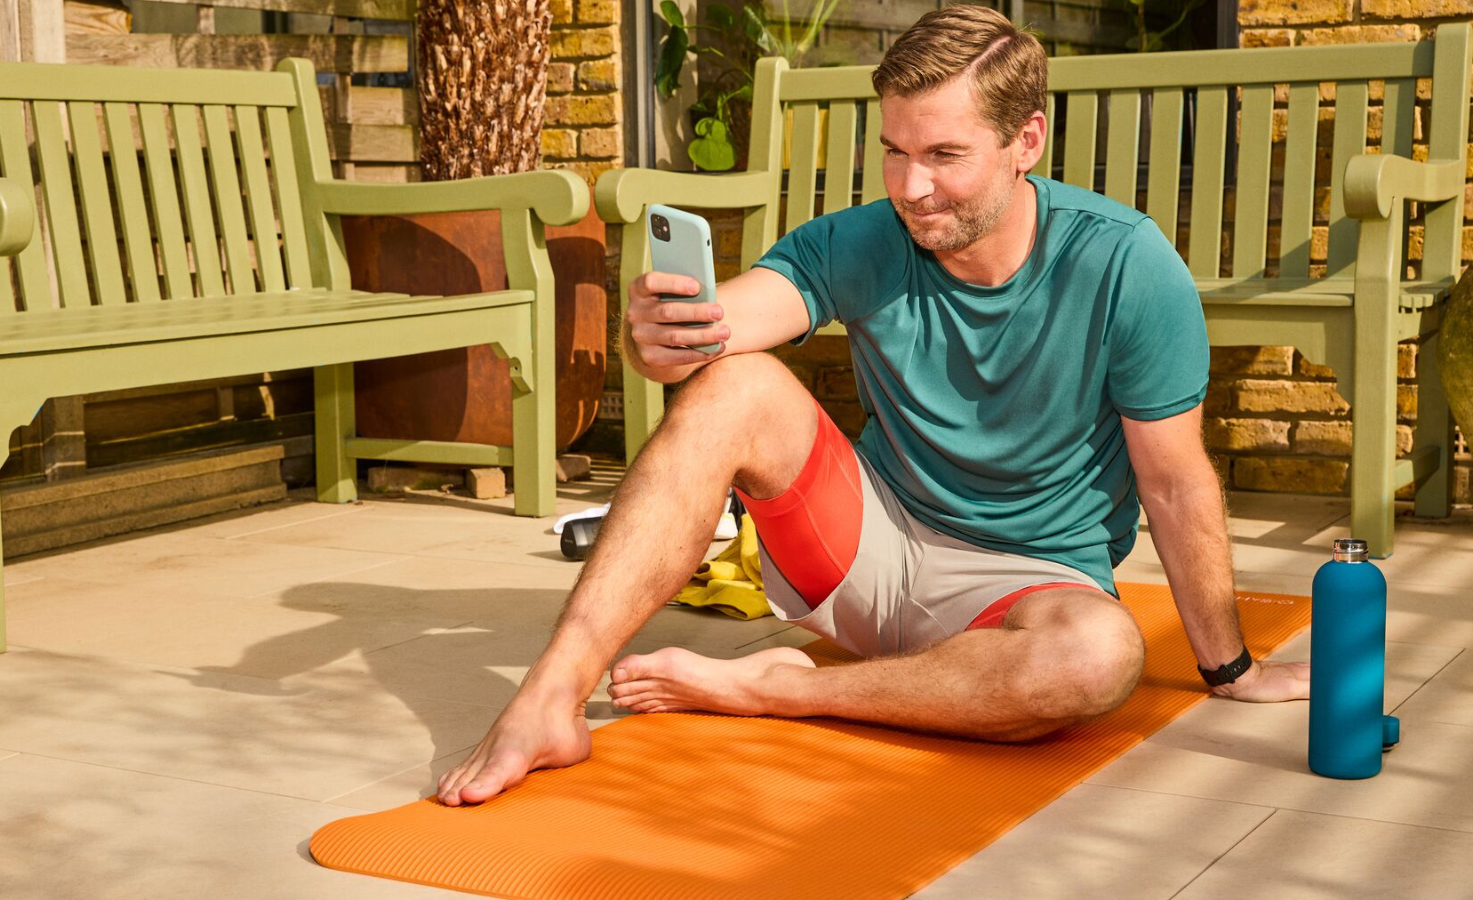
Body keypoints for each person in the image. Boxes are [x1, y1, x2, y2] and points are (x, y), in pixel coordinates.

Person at [437, 5, 1310, 808]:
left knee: (1101, 655)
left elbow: (1174, 481)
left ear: (1026, 140)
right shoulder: (864, 239)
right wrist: (663, 335)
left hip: (1021, 588)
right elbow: (731, 320)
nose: (911, 186)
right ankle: (550, 701)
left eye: (943, 156)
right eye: (894, 150)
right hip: (861, 554)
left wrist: (1228, 665)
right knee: (733, 381)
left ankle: (780, 690)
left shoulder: (1126, 267)